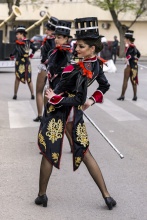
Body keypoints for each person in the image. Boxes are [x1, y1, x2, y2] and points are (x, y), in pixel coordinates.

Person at [35, 17, 116, 210]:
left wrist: (55, 97)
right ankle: (107, 196)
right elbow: (103, 86)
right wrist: (92, 100)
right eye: (76, 45)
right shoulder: (94, 63)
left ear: (92, 49)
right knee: (85, 152)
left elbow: (76, 97)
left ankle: (41, 195)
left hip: (59, 111)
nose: (76, 49)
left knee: (48, 152)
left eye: (80, 46)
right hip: (74, 115)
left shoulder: (80, 68)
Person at [33, 17, 58, 122]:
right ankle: (44, 115)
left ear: (52, 30)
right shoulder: (55, 40)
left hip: (46, 67)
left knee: (40, 91)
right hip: (52, 68)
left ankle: (41, 115)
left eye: (47, 29)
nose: (46, 31)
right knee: (46, 91)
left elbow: (48, 57)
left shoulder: (50, 40)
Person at [10, 26, 37, 100]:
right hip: (19, 62)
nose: (16, 35)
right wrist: (12, 56)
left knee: (29, 79)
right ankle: (15, 94)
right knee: (17, 78)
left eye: (17, 34)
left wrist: (31, 55)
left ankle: (32, 94)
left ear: (22, 34)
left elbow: (34, 48)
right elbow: (14, 51)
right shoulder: (17, 43)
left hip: (26, 62)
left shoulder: (28, 42)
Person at [117, 30, 141, 101]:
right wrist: (135, 59)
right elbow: (139, 54)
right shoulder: (134, 46)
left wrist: (127, 58)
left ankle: (122, 96)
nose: (124, 40)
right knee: (133, 81)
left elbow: (129, 55)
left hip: (128, 66)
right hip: (134, 66)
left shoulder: (130, 46)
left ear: (128, 39)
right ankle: (135, 96)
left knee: (125, 80)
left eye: (125, 39)